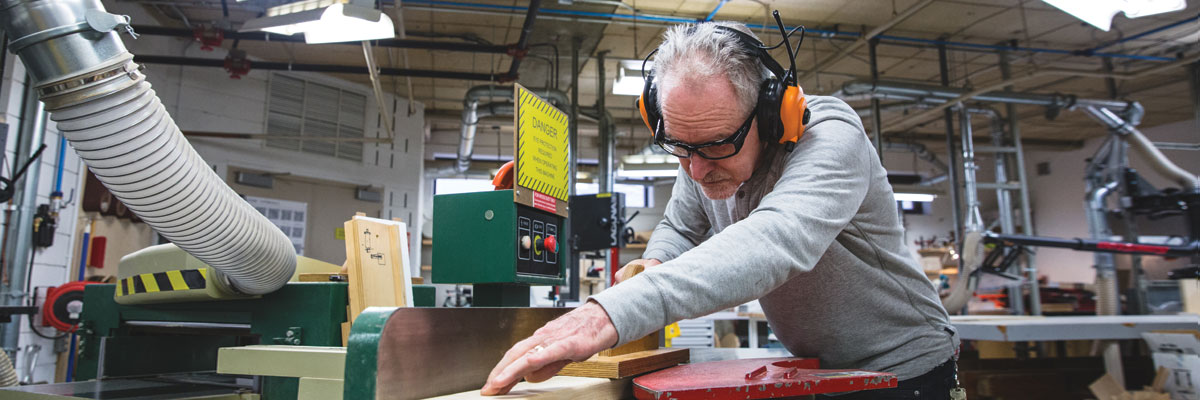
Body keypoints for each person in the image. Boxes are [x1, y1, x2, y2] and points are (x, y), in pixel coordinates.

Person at [482, 21, 961, 400]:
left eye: (715, 145)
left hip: (906, 372)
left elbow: (777, 239)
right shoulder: (700, 151)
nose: (695, 169)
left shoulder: (832, 137)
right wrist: (657, 261)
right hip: (823, 369)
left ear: (772, 114)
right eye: (680, 148)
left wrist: (606, 315)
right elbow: (680, 225)